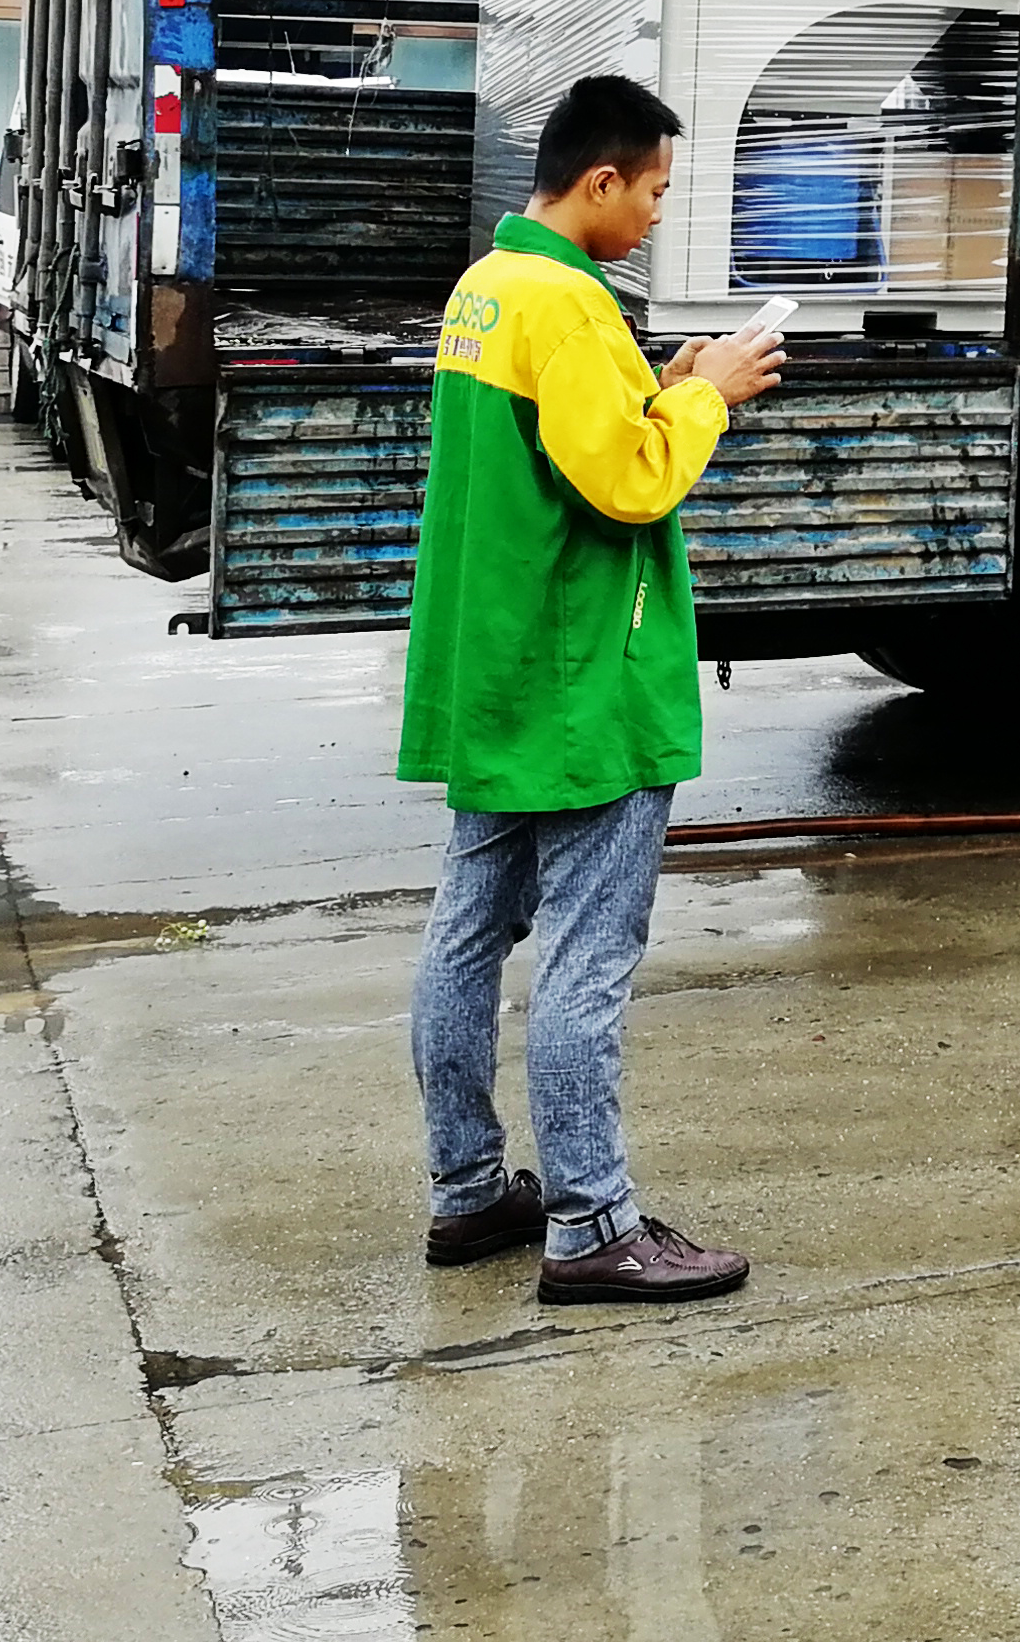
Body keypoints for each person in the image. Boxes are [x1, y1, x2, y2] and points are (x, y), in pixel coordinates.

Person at [401, 74, 783, 1305]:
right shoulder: (566, 305)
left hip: (499, 670)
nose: (661, 215)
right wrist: (707, 395)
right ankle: (591, 1222)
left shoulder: (488, 289)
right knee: (586, 955)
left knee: (468, 933)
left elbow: (565, 448)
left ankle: (467, 1191)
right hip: (581, 683)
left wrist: (654, 383)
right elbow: (626, 486)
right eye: (657, 190)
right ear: (602, 179)